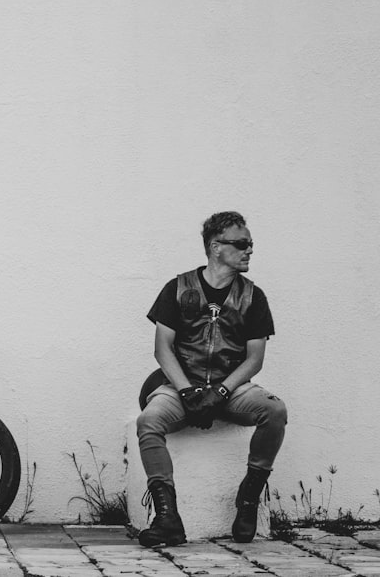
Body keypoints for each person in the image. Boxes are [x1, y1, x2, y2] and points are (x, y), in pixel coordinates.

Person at [136, 211, 287, 547]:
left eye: (251, 244)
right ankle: (167, 517)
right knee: (149, 421)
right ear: (216, 247)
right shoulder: (177, 288)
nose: (249, 250)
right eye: (242, 243)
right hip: (182, 386)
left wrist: (221, 390)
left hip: (232, 389)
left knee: (275, 412)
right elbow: (163, 350)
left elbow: (255, 358)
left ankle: (248, 499)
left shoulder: (253, 296)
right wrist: (188, 391)